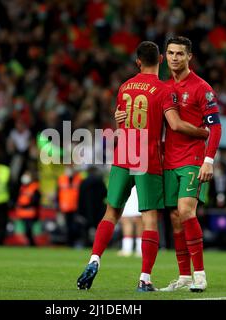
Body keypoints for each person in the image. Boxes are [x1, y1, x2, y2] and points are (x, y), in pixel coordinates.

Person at [77, 41, 208, 292]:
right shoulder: (162, 89)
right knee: (149, 220)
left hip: (122, 155)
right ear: (160, 59)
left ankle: (94, 258)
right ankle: (144, 279)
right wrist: (204, 133)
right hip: (147, 157)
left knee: (111, 213)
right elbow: (176, 125)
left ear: (138, 61)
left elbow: (122, 122)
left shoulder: (124, 86)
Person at [116, 36, 222, 292]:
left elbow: (215, 127)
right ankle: (184, 276)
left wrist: (209, 160)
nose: (175, 58)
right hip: (167, 160)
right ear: (165, 56)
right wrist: (121, 116)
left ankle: (200, 275)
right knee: (175, 218)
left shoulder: (201, 88)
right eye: (171, 53)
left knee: (186, 210)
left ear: (189, 57)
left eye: (180, 54)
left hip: (193, 159)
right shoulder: (162, 87)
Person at [57, 165, 83, 247]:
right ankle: (69, 243)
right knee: (67, 227)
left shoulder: (78, 179)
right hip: (65, 207)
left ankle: (75, 242)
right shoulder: (61, 179)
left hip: (76, 207)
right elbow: (58, 193)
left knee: (75, 226)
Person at [15, 171, 41, 246]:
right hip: (23, 213)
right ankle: (31, 243)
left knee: (29, 230)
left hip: (30, 213)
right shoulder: (22, 187)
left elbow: (36, 200)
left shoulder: (34, 187)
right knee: (26, 231)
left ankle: (32, 244)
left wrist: (25, 205)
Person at [117, 186, 142, 258]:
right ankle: (127, 248)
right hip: (127, 191)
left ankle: (140, 249)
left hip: (138, 191)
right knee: (126, 220)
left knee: (138, 220)